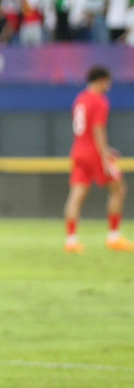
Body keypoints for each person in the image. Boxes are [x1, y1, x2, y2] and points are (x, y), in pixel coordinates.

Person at [63, 65, 133, 253]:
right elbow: (97, 129)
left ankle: (70, 240)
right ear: (102, 80)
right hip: (94, 153)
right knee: (119, 189)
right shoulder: (99, 101)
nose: (109, 85)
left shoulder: (80, 98)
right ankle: (114, 237)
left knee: (76, 195)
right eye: (108, 81)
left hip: (78, 150)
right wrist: (104, 155)